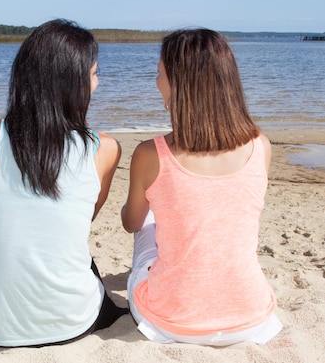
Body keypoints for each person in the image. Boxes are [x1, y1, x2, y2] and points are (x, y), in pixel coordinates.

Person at [0, 19, 128, 347]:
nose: (98, 84)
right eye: (94, 74)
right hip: (72, 322)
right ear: (73, 82)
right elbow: (82, 219)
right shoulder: (104, 149)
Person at [121, 28, 283, 346]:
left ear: (180, 84)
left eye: (160, 74)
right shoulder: (261, 146)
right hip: (250, 320)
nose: (156, 83)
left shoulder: (150, 153)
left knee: (148, 225)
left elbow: (131, 223)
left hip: (171, 323)